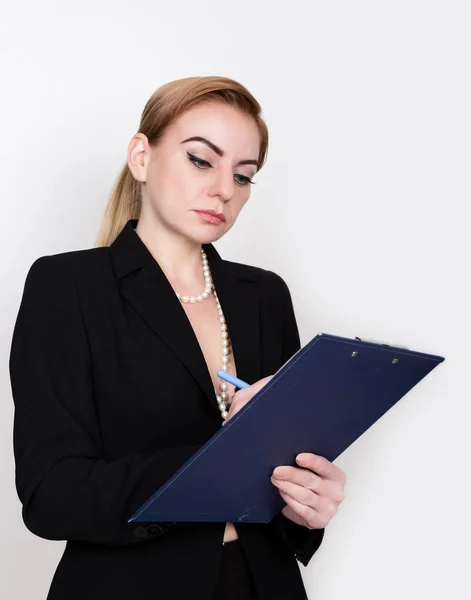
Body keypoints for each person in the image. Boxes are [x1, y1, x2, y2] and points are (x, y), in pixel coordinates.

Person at [9, 75, 346, 600]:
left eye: (244, 175)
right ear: (141, 157)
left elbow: (281, 479)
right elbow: (51, 494)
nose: (223, 190)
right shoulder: (68, 287)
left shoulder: (265, 296)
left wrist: (309, 506)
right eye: (200, 159)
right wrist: (220, 459)